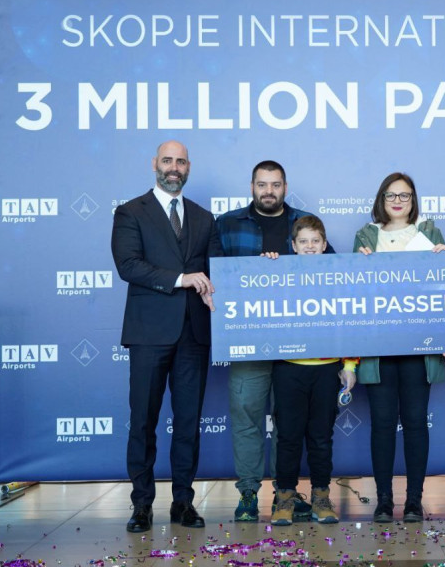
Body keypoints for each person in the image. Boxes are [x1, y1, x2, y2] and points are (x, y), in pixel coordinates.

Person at [111, 140, 223, 533]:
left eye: (180, 161)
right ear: (154, 164)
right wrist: (181, 279)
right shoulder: (130, 211)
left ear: (188, 167)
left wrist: (261, 270)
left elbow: (218, 271)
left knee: (188, 422)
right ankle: (141, 505)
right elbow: (128, 265)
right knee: (143, 421)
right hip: (148, 334)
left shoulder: (204, 217)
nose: (174, 167)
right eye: (167, 160)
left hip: (193, 334)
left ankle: (183, 502)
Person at [215, 160, 334, 522]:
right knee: (247, 416)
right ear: (252, 186)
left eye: (276, 184)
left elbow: (332, 275)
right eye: (262, 184)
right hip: (248, 341)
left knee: (290, 427)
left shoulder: (305, 224)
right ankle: (248, 493)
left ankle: (287, 494)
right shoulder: (227, 224)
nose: (269, 191)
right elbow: (216, 278)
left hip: (297, 348)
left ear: (285, 187)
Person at [353, 172, 445, 523]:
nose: (397, 201)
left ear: (413, 200)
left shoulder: (430, 234)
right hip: (378, 348)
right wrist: (356, 266)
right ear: (381, 199)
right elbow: (352, 292)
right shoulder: (365, 236)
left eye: (404, 195)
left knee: (415, 423)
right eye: (391, 195)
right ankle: (383, 500)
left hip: (419, 348)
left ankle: (413, 500)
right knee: (381, 424)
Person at [270, 215, 358, 525]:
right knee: (288, 437)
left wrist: (349, 365)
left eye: (315, 241)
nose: (309, 247)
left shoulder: (338, 278)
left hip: (326, 368)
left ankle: (321, 497)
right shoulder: (277, 276)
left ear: (324, 245)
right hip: (288, 368)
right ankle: (284, 498)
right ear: (293, 246)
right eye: (303, 241)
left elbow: (350, 321)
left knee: (321, 437)